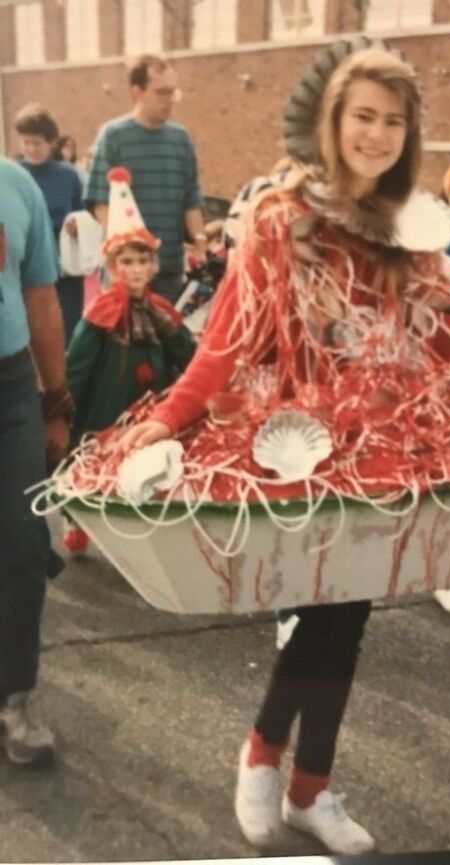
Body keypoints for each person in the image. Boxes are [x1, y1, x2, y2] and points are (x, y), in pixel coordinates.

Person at [109, 44, 450, 853]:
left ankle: (307, 786)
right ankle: (267, 756)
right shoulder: (277, 219)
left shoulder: (412, 230)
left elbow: (446, 335)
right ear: (332, 122)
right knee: (326, 613)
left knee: (347, 616)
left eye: (394, 120)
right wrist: (175, 414)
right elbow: (227, 335)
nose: (377, 133)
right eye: (363, 115)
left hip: (385, 449)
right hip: (300, 452)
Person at [62, 167, 197, 554]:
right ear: (112, 267)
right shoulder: (101, 312)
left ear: (153, 266)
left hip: (146, 402)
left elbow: (188, 354)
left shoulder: (161, 313)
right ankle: (79, 520)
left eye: (142, 261)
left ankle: (132, 526)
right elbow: (78, 363)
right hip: (104, 402)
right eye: (127, 262)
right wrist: (65, 403)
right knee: (89, 455)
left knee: (139, 461)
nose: (136, 270)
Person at [0, 156, 72, 766]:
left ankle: (15, 699)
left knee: (24, 545)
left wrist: (57, 402)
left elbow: (41, 295)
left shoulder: (15, 183)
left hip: (11, 388)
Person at [85, 54, 206, 303]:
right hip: (126, 272)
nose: (169, 100)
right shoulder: (113, 136)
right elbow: (100, 203)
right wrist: (124, 254)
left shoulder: (181, 139)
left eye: (173, 92)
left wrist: (200, 240)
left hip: (170, 271)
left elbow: (191, 199)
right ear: (137, 92)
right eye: (161, 92)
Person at [15, 103, 85, 342]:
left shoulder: (68, 176)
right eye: (26, 142)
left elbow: (82, 215)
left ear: (51, 142)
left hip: (64, 267)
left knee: (66, 331)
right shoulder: (13, 175)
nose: (31, 149)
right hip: (26, 265)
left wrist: (77, 226)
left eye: (37, 143)